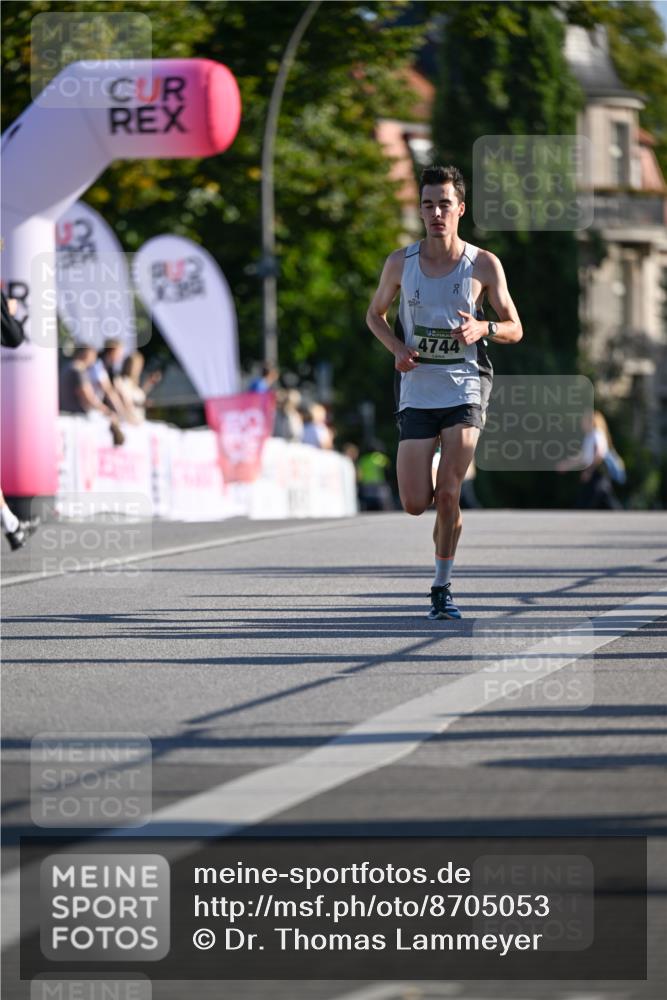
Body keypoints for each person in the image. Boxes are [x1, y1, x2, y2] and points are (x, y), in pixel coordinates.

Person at [366, 164, 523, 619]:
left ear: (461, 209)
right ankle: (442, 517)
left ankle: (441, 585)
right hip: (417, 389)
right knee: (416, 503)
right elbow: (374, 315)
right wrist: (396, 346)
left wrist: (484, 326)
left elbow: (515, 327)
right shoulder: (401, 262)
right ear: (420, 209)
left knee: (449, 492)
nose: (436, 212)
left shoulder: (483, 264)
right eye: (429, 204)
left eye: (445, 204)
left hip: (465, 387)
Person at [557, 410, 623, 509]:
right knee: (602, 500)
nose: (582, 423)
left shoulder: (597, 434)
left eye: (584, 421)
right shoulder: (589, 437)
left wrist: (589, 471)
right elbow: (583, 457)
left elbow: (599, 454)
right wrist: (567, 464)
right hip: (595, 474)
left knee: (587, 501)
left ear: (590, 422)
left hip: (598, 473)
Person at [59, 346, 125, 445]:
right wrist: (107, 411)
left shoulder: (67, 367)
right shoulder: (79, 370)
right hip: (76, 420)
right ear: (86, 354)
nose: (94, 360)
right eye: (93, 356)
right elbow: (88, 397)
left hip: (67, 416)